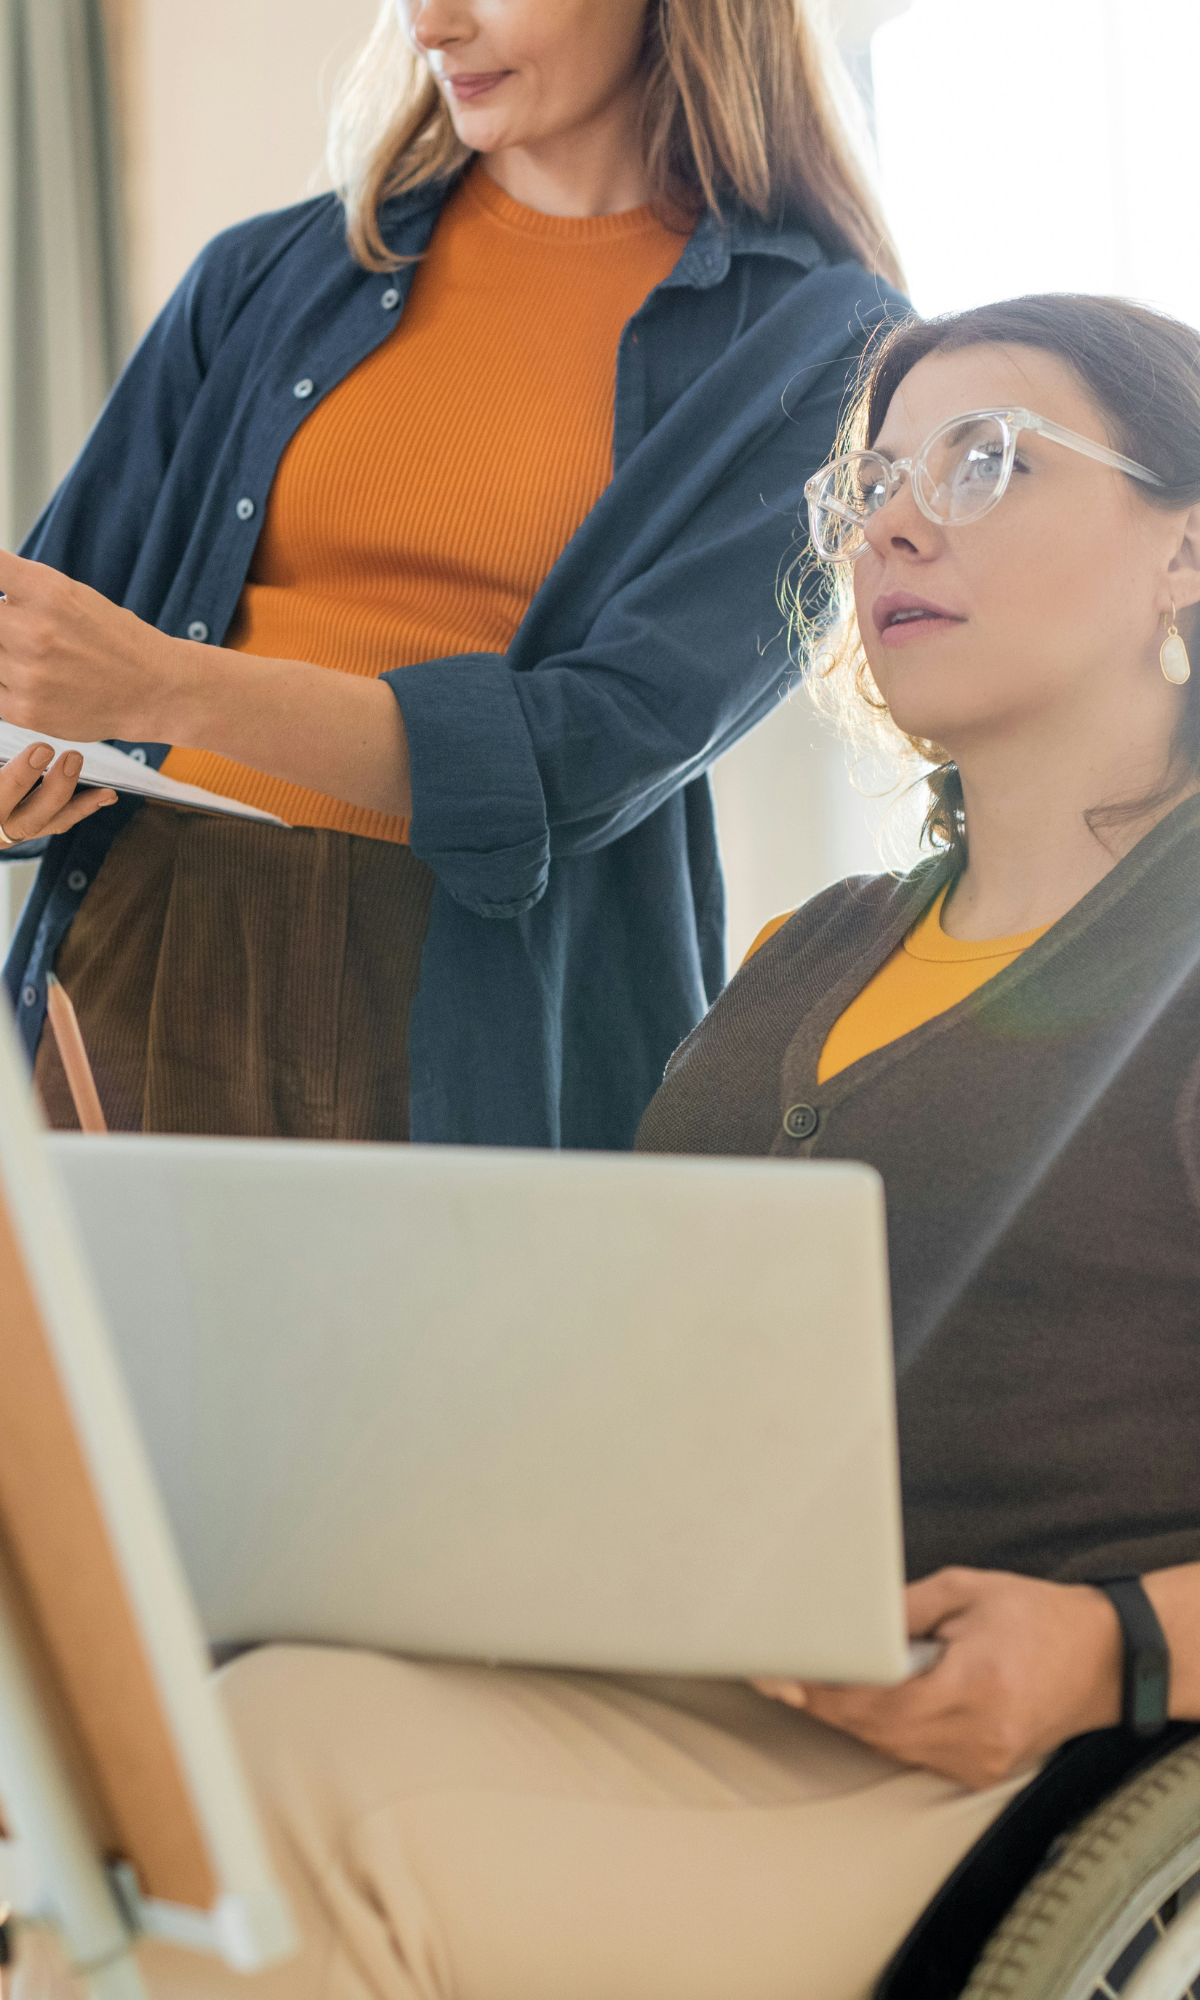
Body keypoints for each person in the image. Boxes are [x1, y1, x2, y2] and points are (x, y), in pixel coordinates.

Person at [17, 292, 1199, 2000]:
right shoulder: (820, 949)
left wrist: (1120, 1646)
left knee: (275, 1837)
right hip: (708, 1692)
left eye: (989, 461)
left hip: (1014, 1776)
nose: (899, 518)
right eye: (869, 485)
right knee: (194, 1758)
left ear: (1183, 553)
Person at [0, 0, 904, 1149]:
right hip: (136, 938)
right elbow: (46, 632)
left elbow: (590, 750)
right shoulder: (264, 276)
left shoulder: (820, 346)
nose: (432, 23)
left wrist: (165, 689)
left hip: (484, 1011)